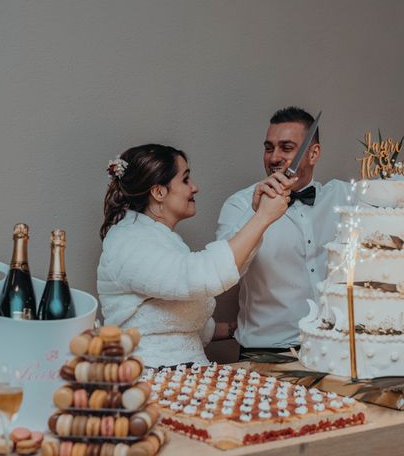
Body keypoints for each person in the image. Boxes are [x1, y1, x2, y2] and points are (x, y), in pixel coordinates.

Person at [216, 64, 404, 355]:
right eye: (269, 148)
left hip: (334, 349)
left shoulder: (342, 198)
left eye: (286, 148)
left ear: (314, 153)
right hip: (266, 354)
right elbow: (224, 274)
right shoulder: (238, 205)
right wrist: (259, 216)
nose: (274, 157)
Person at [97, 144, 292, 367]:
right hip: (148, 378)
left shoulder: (159, 239)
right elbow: (200, 276)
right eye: (186, 179)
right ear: (159, 191)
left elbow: (176, 314)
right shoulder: (128, 241)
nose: (194, 187)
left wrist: (256, 213)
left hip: (189, 373)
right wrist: (263, 218)